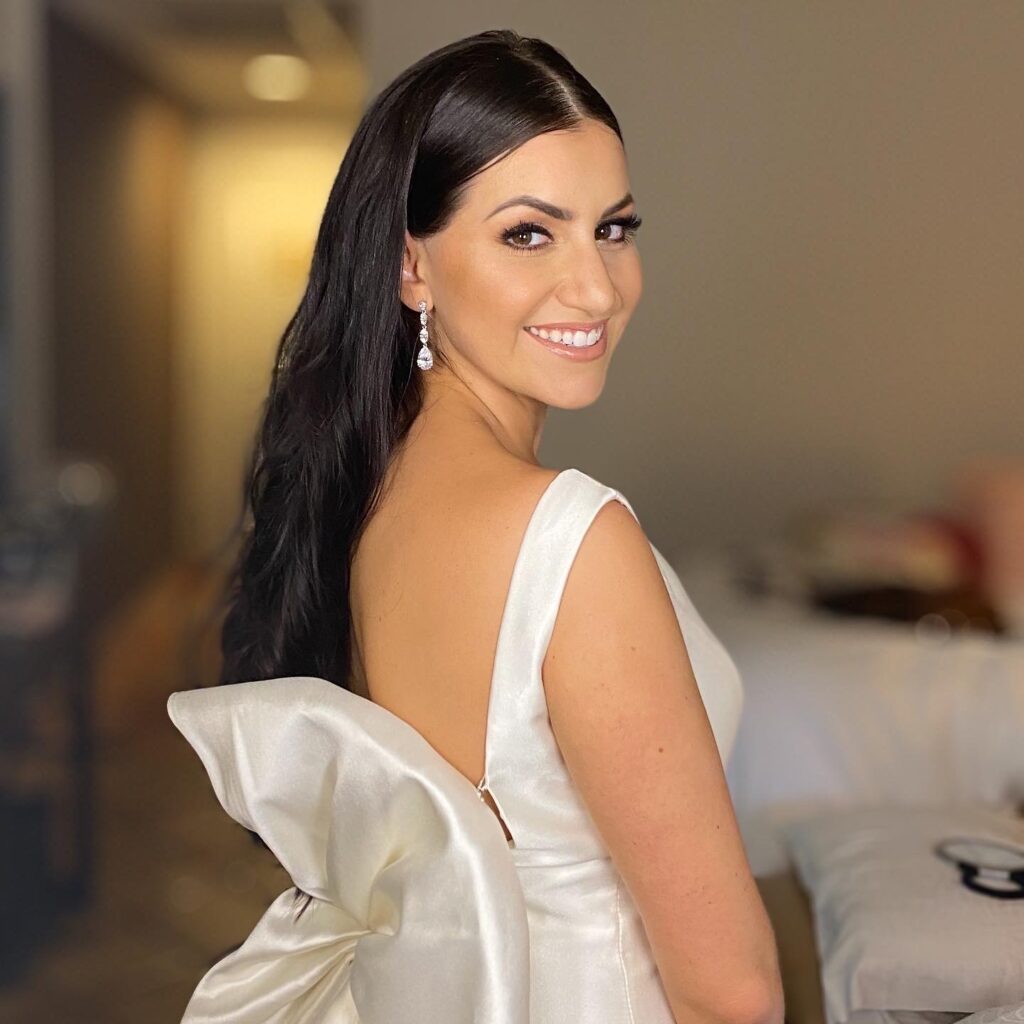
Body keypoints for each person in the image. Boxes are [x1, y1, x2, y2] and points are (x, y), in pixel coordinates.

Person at [168, 28, 784, 1024]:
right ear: (410, 264)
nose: (597, 287)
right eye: (529, 233)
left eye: (613, 228)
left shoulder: (369, 494)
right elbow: (734, 994)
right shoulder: (571, 540)